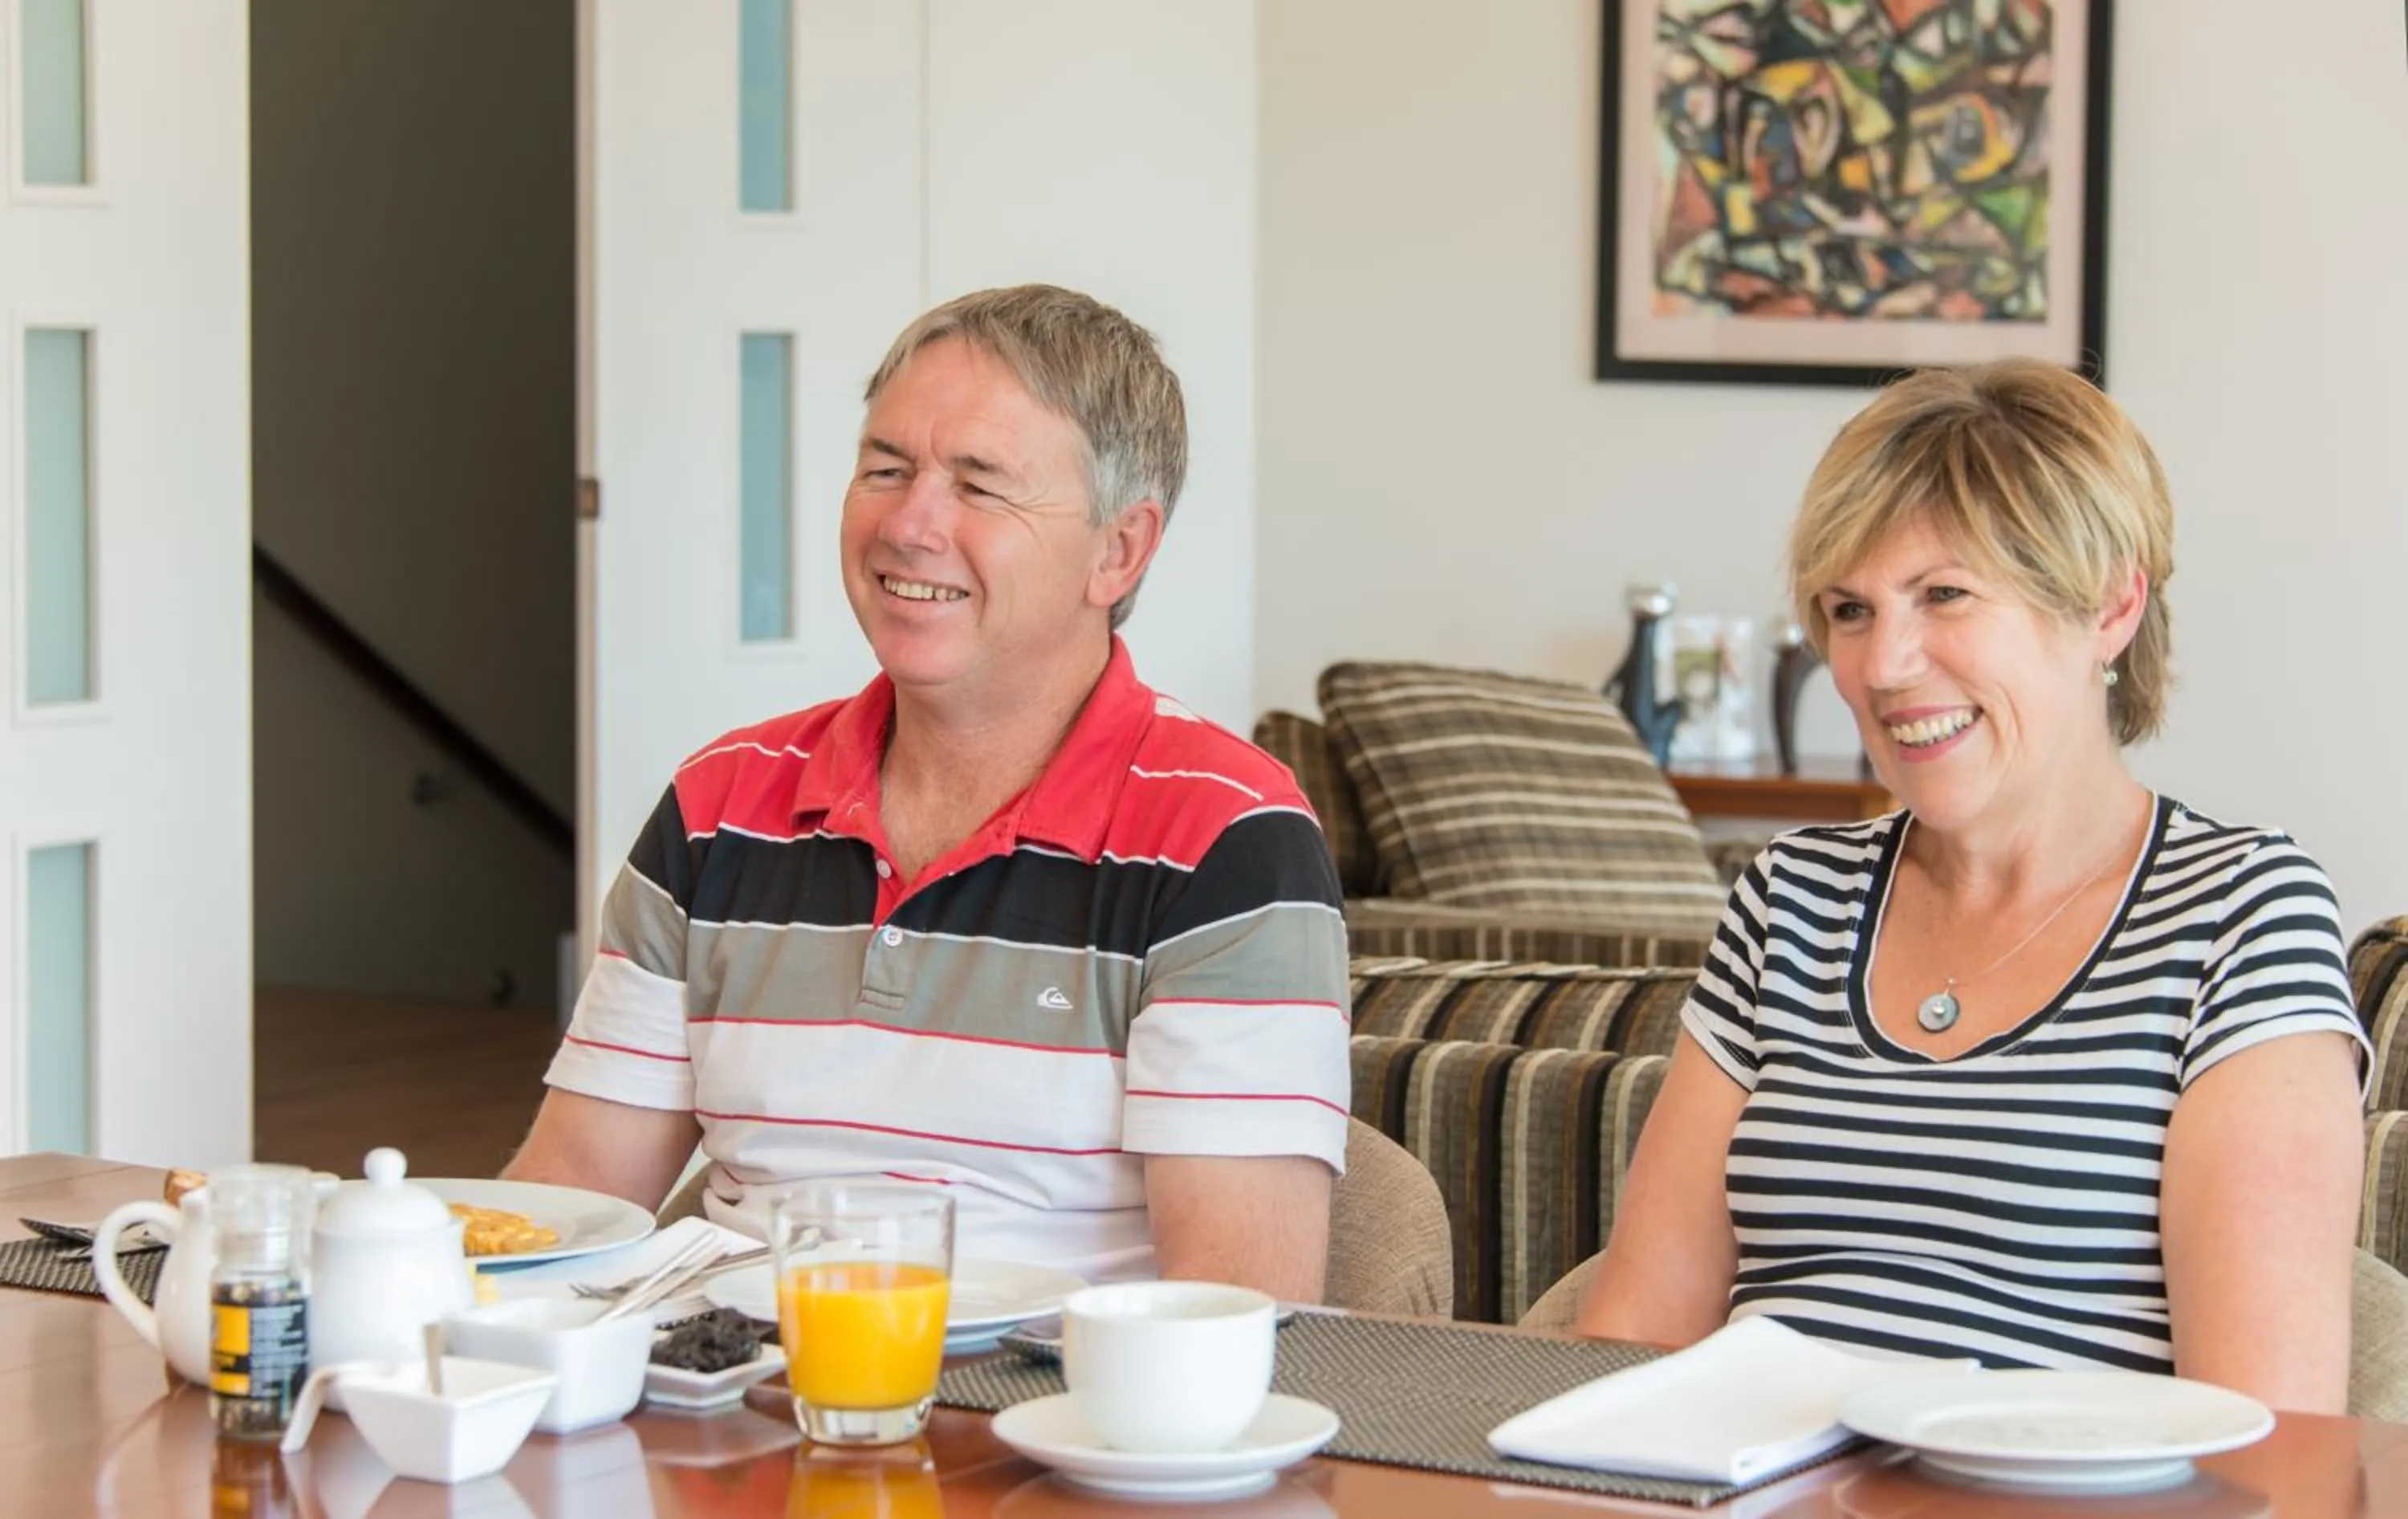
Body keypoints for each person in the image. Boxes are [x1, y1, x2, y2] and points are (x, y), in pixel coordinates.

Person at [506, 285, 1350, 1299]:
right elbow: (573, 1199)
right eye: (885, 468)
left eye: (980, 486)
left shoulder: (1225, 835)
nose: (908, 524)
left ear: (1118, 550)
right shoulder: (719, 804)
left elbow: (1236, 1307)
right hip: (710, 1381)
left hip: (1045, 1396)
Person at [1575, 358, 2370, 1411]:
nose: (1885, 665)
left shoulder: (2242, 914)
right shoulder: (1789, 898)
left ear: (2111, 604)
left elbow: (2267, 1433)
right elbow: (1633, 1341)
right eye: (1850, 610)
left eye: (1944, 594)